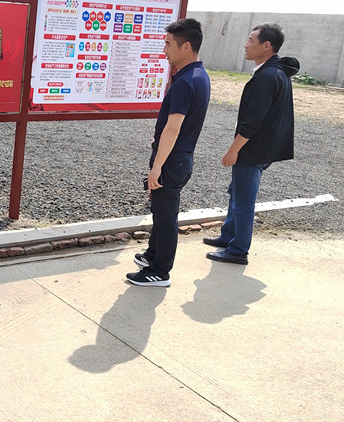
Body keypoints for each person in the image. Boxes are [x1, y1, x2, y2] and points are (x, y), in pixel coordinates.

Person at [204, 24, 299, 264]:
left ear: (266, 46)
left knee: (243, 200)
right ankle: (228, 237)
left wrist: (233, 150)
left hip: (254, 149)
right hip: (263, 148)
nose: (245, 45)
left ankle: (238, 250)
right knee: (236, 192)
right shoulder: (276, 71)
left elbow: (253, 121)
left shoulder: (268, 76)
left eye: (250, 40)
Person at [127, 18, 210, 287]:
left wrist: (156, 167)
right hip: (179, 158)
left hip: (172, 160)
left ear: (186, 46)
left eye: (168, 44)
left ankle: (160, 271)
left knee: (165, 218)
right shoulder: (199, 75)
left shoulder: (185, 82)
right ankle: (153, 255)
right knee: (161, 211)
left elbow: (172, 129)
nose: (164, 50)